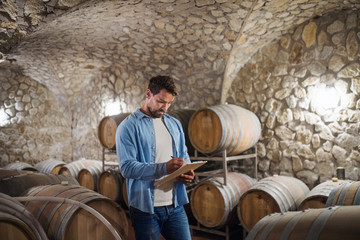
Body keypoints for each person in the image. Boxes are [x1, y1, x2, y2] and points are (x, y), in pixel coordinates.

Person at [116, 75, 195, 240]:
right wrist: (164, 168)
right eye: (161, 101)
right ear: (148, 94)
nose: (165, 107)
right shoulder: (128, 127)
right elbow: (127, 167)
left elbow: (183, 155)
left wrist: (187, 170)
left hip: (175, 204)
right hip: (146, 208)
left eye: (169, 103)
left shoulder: (174, 124)